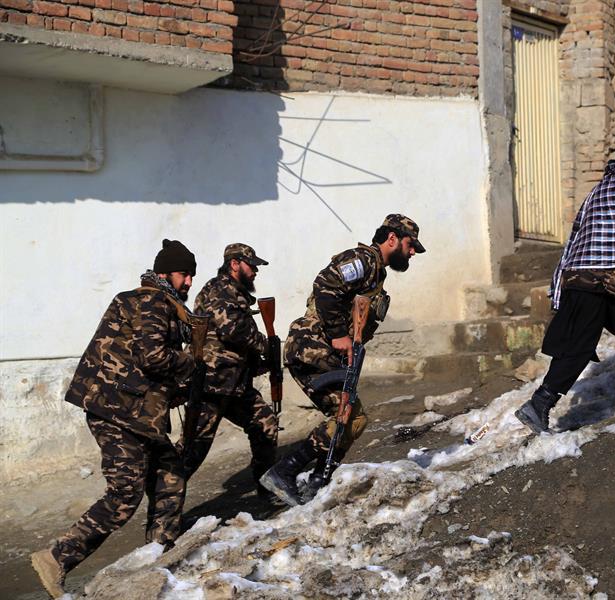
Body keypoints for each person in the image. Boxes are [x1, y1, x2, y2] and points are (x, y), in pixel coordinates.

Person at [31, 240, 198, 599]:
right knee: (126, 491)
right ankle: (57, 557)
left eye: (190, 276)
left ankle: (159, 555)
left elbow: (146, 363)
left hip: (133, 412)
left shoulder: (150, 302)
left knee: (170, 475)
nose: (188, 283)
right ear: (166, 273)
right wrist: (191, 362)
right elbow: (153, 356)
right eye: (185, 274)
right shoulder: (152, 299)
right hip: (117, 410)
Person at [260, 214, 424, 505]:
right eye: (410, 244)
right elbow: (325, 284)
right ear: (392, 238)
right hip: (312, 344)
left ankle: (319, 480)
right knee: (348, 417)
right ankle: (286, 472)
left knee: (354, 418)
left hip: (327, 352)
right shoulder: (364, 259)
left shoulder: (377, 275)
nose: (412, 252)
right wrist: (338, 334)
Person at [516, 138, 615, 434]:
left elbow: (578, 232)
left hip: (597, 281)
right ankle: (538, 405)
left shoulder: (599, 190)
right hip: (593, 284)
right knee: (577, 348)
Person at [177, 243, 281, 500]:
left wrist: (259, 361)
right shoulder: (221, 289)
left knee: (265, 425)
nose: (255, 271)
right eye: (251, 266)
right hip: (213, 383)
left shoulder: (233, 291)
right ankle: (164, 506)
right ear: (234, 264)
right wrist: (264, 345)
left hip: (234, 384)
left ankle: (268, 488)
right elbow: (232, 330)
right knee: (192, 449)